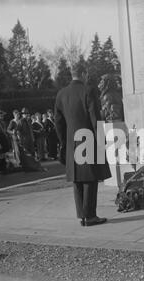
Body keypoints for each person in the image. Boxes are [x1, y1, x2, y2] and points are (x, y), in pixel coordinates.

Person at [54, 62, 111, 227]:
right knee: (90, 179)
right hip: (88, 137)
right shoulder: (88, 90)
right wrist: (101, 138)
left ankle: (82, 216)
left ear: (72, 74)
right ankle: (90, 216)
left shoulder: (61, 94)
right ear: (84, 73)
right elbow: (95, 117)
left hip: (72, 141)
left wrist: (64, 141)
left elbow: (58, 122)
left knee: (77, 179)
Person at [0, 108, 11, 173]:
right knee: (0, 155)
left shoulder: (3, 122)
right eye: (0, 115)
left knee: (4, 154)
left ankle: (4, 167)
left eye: (2, 115)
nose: (2, 116)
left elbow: (5, 131)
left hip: (3, 138)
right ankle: (1, 169)